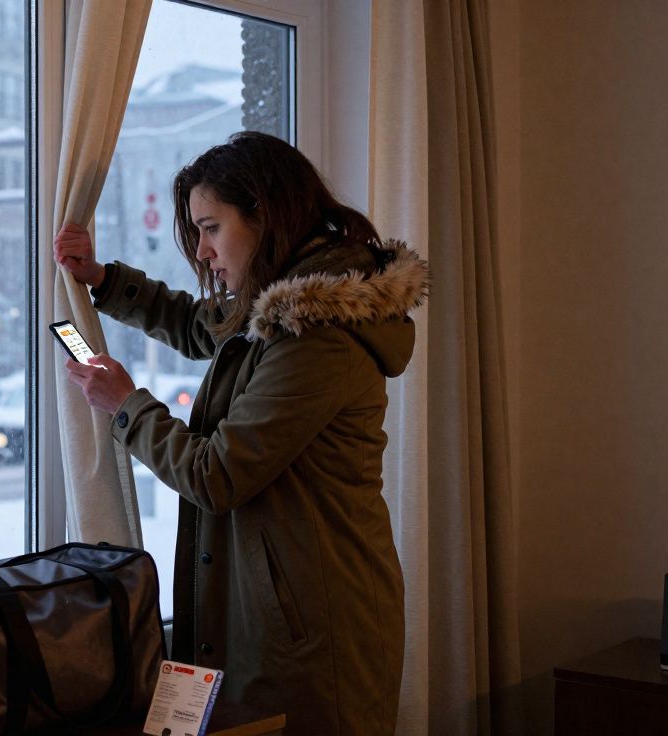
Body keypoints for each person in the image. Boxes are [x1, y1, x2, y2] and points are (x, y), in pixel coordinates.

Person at [54, 131, 428, 735]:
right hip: (278, 610)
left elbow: (216, 474)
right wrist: (101, 280)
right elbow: (202, 325)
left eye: (210, 228)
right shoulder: (282, 305)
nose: (201, 251)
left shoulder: (319, 336)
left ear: (264, 214)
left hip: (314, 622)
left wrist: (126, 405)